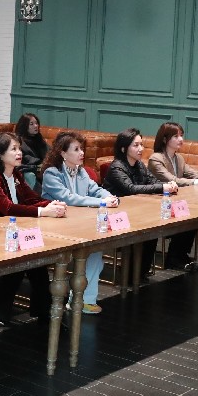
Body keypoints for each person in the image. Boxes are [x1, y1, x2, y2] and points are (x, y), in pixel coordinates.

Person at [0, 132, 67, 324]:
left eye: (19, 148)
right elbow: (7, 208)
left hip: (9, 231)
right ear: (0, 154)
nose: (19, 152)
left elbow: (31, 199)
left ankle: (42, 310)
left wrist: (52, 204)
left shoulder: (16, 175)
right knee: (22, 258)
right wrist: (43, 211)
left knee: (37, 259)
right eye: (13, 149)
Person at [41, 132, 119, 314]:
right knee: (92, 255)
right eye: (76, 149)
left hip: (78, 225)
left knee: (96, 252)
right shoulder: (51, 173)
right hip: (56, 228)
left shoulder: (81, 171)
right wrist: (101, 202)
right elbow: (69, 198)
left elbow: (95, 189)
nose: (81, 153)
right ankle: (80, 299)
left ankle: (83, 300)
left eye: (81, 149)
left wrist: (110, 197)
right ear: (63, 153)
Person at [103, 128, 180, 282]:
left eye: (141, 145)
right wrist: (162, 187)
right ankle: (131, 275)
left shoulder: (139, 165)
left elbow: (153, 181)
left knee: (152, 230)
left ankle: (140, 272)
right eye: (136, 145)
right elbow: (130, 189)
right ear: (124, 148)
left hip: (136, 212)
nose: (140, 149)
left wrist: (168, 185)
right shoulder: (117, 167)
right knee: (145, 230)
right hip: (116, 215)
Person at [147, 122, 198, 271]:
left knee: (194, 216)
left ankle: (179, 255)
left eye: (181, 135)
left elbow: (194, 174)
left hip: (176, 202)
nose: (181, 139)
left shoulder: (179, 158)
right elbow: (173, 180)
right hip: (159, 204)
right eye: (176, 136)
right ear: (165, 139)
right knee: (188, 215)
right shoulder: (156, 159)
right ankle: (174, 257)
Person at [15, 113, 49, 190]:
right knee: (29, 175)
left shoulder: (39, 139)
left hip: (41, 169)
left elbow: (49, 153)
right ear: (24, 126)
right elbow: (24, 160)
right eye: (31, 124)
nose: (36, 126)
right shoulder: (19, 141)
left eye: (36, 123)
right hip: (26, 170)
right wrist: (39, 166)